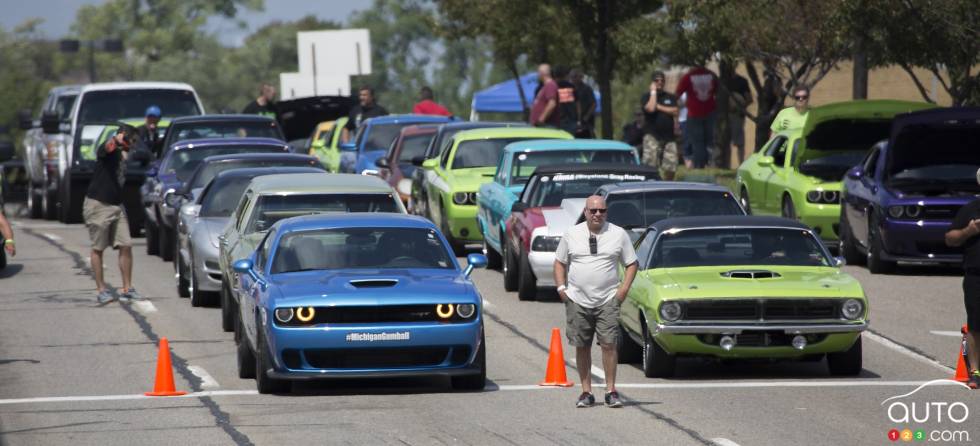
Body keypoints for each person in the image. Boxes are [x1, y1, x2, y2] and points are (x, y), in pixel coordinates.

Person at [554, 195, 639, 408]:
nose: (597, 214)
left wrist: (623, 291)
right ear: (585, 212)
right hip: (577, 299)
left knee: (609, 344)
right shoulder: (571, 234)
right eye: (593, 211)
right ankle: (586, 392)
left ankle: (611, 391)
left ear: (606, 212)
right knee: (582, 345)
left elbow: (632, 263)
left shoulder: (618, 234)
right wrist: (562, 289)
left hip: (608, 299)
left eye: (602, 210)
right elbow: (559, 262)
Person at [84, 125, 141, 304]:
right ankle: (101, 290)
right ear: (123, 136)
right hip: (99, 204)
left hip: (117, 205)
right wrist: (117, 140)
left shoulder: (124, 153)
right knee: (98, 248)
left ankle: (127, 288)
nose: (133, 145)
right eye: (132, 141)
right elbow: (106, 148)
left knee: (126, 244)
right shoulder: (108, 149)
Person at [944, 168, 980, 389]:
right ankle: (975, 371)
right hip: (976, 276)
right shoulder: (970, 210)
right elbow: (950, 238)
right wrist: (969, 230)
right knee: (976, 325)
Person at [675, 65, 718, 168]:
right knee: (709, 140)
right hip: (710, 112)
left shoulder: (688, 77)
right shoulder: (712, 75)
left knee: (697, 141)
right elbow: (717, 90)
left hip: (694, 113)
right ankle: (709, 163)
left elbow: (677, 93)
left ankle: (700, 165)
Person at [641, 71, 680, 180]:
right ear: (652, 82)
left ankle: (668, 186)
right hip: (652, 136)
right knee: (650, 165)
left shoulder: (670, 97)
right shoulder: (646, 97)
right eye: (657, 80)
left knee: (671, 167)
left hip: (668, 137)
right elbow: (651, 108)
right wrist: (653, 92)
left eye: (662, 80)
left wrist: (659, 107)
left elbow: (675, 111)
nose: (660, 82)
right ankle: (650, 186)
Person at [728, 73, 753, 164]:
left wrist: (739, 108)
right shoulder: (721, 80)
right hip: (724, 117)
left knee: (739, 142)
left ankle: (741, 164)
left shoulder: (741, 81)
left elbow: (749, 99)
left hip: (737, 116)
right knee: (725, 142)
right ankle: (725, 165)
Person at [529, 64, 559, 128]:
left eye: (538, 72)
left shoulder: (550, 85)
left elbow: (552, 104)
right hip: (541, 125)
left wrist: (541, 120)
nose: (537, 75)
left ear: (542, 73)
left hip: (546, 125)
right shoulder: (545, 86)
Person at [570, 69, 596, 138]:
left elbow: (593, 104)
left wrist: (586, 117)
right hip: (574, 121)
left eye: (575, 76)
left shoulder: (587, 89)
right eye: (572, 77)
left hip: (586, 123)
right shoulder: (570, 89)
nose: (573, 79)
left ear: (580, 77)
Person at [554, 66, 579, 135]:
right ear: (565, 75)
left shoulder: (553, 86)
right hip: (571, 121)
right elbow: (577, 104)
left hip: (556, 120)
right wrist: (578, 119)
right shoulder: (571, 87)